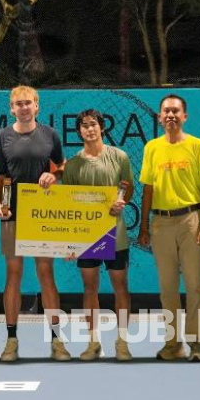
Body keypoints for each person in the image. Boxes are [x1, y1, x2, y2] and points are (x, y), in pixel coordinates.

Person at [138, 94, 200, 362]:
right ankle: (172, 345)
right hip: (160, 224)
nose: (170, 115)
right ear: (159, 117)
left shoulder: (197, 146)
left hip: (191, 221)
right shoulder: (152, 148)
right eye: (166, 111)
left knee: (194, 287)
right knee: (167, 289)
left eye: (175, 111)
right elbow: (147, 189)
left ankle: (196, 345)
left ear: (185, 116)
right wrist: (144, 227)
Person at [0, 85, 68, 362]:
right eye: (18, 104)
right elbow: (2, 177)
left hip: (42, 216)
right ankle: (11, 340)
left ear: (37, 106)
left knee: (46, 274)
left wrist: (55, 176)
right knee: (13, 274)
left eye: (28, 103)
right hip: (13, 215)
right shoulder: (3, 136)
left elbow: (61, 166)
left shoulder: (51, 134)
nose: (24, 107)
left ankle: (57, 341)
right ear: (12, 108)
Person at [62, 109, 134, 361]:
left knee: (120, 287)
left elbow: (127, 187)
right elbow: (68, 205)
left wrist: (120, 201)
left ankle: (122, 342)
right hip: (86, 238)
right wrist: (69, 243)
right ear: (79, 131)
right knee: (89, 287)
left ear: (101, 128)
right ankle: (93, 342)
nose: (89, 129)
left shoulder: (120, 156)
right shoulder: (71, 166)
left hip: (116, 235)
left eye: (93, 124)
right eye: (84, 125)